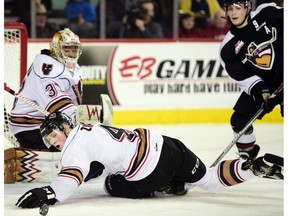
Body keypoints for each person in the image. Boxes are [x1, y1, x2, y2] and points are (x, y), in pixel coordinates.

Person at [15, 111, 283, 208]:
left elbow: (72, 178)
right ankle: (253, 168)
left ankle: (166, 186)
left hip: (148, 173)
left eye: (52, 134)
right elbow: (94, 162)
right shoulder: (92, 127)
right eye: (48, 139)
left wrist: (49, 192)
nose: (52, 141)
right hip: (167, 145)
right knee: (209, 179)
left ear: (63, 127)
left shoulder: (74, 147)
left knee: (111, 183)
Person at [8, 28, 111, 152]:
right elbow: (58, 107)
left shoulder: (69, 66)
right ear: (56, 49)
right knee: (75, 146)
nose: (71, 53)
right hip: (30, 126)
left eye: (74, 49)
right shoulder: (46, 70)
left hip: (47, 121)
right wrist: (92, 116)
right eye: (67, 49)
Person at [219, 1, 283, 160]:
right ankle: (247, 158)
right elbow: (242, 75)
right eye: (230, 9)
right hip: (265, 83)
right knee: (239, 120)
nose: (234, 13)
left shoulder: (266, 13)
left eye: (238, 8)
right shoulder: (227, 48)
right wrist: (260, 90)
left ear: (247, 8)